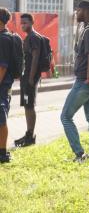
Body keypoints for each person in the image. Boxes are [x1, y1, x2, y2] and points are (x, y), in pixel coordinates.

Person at [60, 1, 89, 162]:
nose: (76, 12)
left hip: (86, 81)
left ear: (85, 11)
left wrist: (88, 77)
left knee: (65, 116)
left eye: (78, 10)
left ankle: (80, 154)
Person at [14, 13, 46, 147]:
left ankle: (30, 136)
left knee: (29, 105)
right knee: (27, 105)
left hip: (29, 78)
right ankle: (29, 133)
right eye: (21, 23)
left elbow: (35, 58)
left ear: (32, 23)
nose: (22, 25)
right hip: (27, 77)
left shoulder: (33, 38)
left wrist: (31, 78)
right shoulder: (30, 37)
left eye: (25, 23)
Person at [0, 8, 21, 163]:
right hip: (5, 83)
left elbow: (2, 66)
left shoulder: (3, 39)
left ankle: (3, 153)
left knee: (1, 119)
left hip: (2, 84)